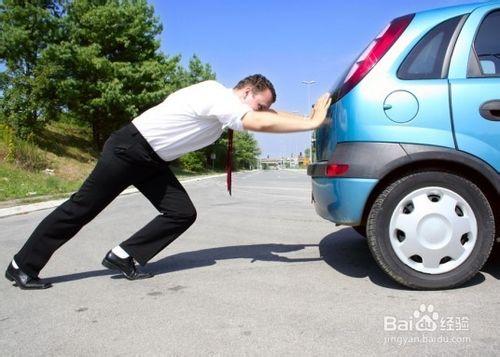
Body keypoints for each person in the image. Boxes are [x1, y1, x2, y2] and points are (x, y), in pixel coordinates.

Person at [5, 74, 332, 289]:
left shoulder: (228, 106)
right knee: (81, 209)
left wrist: (310, 119)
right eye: (260, 103)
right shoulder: (216, 96)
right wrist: (311, 123)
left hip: (150, 160)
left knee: (180, 212)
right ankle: (22, 265)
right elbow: (260, 122)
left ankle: (124, 255)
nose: (263, 110)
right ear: (247, 91)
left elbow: (269, 116)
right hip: (128, 149)